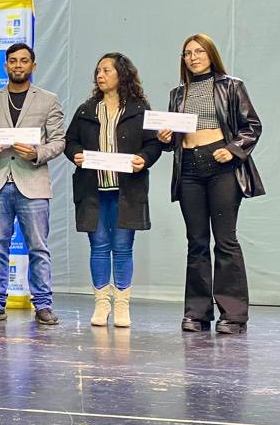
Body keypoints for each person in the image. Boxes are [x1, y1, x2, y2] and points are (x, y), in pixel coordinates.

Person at [156, 34, 264, 334]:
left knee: (225, 240)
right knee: (197, 242)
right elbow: (173, 140)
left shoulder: (231, 86)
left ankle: (233, 315)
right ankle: (197, 313)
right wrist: (165, 138)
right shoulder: (178, 94)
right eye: (187, 53)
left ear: (211, 54)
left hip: (221, 165)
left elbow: (252, 126)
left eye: (199, 52)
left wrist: (232, 149)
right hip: (189, 167)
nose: (193, 57)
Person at [64, 52, 163, 328]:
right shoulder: (86, 109)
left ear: (122, 74)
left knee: (122, 247)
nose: (100, 75)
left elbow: (154, 144)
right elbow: (70, 141)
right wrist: (76, 155)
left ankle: (121, 305)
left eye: (106, 70)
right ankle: (101, 304)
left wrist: (144, 158)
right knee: (98, 247)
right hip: (92, 190)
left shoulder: (140, 109)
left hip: (126, 190)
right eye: (98, 71)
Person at [0, 42, 65, 326]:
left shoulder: (48, 100)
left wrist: (37, 153)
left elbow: (59, 141)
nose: (18, 65)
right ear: (5, 66)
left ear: (33, 65)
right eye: (13, 61)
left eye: (24, 61)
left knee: (38, 247)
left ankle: (43, 304)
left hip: (33, 182)